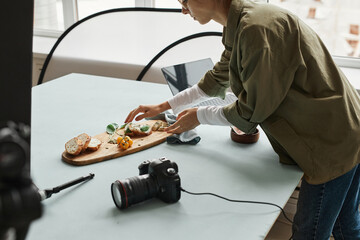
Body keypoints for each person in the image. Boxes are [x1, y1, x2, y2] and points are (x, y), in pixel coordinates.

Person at [125, 0, 360, 238]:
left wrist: (199, 116)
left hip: (330, 143)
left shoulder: (255, 30)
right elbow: (217, 77)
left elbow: (249, 111)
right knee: (346, 225)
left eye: (184, 1)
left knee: (309, 232)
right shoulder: (243, 23)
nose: (183, 9)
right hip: (347, 127)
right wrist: (166, 105)